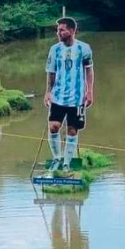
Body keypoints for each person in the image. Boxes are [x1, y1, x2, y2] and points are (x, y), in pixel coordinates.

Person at [45, 17, 95, 173]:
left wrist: (89, 92)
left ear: (72, 31)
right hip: (58, 96)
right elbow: (51, 72)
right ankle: (56, 158)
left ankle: (67, 163)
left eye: (62, 29)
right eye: (58, 29)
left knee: (72, 130)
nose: (58, 32)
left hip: (77, 98)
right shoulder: (54, 49)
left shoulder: (84, 48)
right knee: (53, 127)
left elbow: (89, 70)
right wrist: (48, 92)